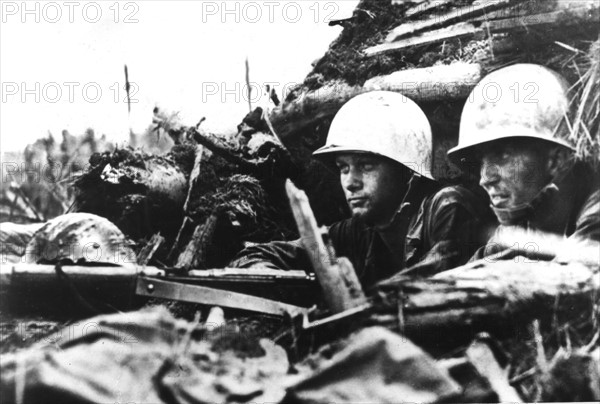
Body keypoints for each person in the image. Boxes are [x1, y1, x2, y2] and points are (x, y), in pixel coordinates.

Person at [231, 91, 494, 288]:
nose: (350, 182)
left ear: (405, 169)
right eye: (343, 168)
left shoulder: (447, 207)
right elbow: (258, 254)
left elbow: (438, 280)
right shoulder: (358, 231)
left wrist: (346, 300)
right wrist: (284, 282)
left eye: (366, 166)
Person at [447, 64, 600, 261]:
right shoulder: (519, 223)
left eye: (502, 155)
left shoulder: (595, 215)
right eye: (481, 160)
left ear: (557, 160)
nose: (485, 179)